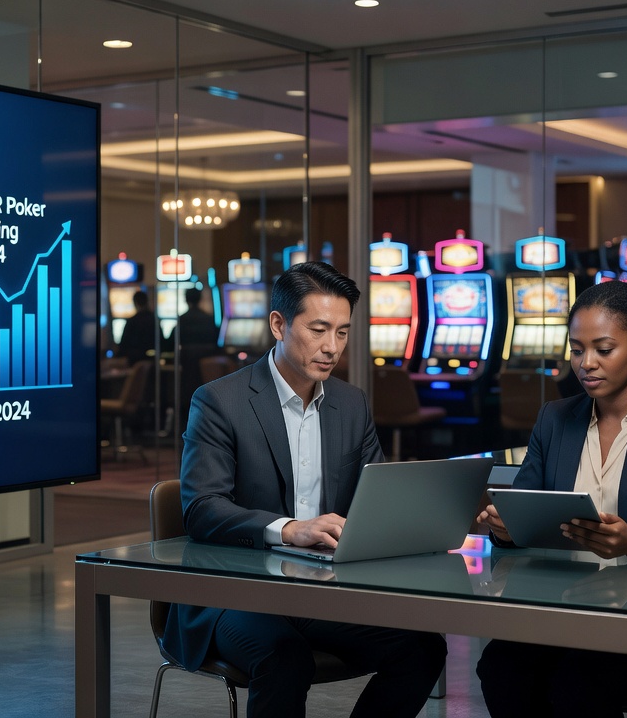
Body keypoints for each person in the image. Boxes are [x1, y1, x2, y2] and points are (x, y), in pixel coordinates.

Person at [162, 261, 447, 718]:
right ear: (278, 324)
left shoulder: (351, 404)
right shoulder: (219, 401)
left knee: (422, 649)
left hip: (319, 591)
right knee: (285, 659)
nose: (331, 347)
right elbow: (202, 509)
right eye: (318, 330)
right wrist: (289, 528)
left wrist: (429, 517)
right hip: (233, 593)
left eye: (342, 332)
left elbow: (376, 500)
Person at [475, 279, 627, 718]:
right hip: (560, 604)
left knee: (577, 683)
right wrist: (506, 528)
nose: (586, 363)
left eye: (603, 349)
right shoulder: (554, 419)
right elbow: (526, 507)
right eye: (576, 349)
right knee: (500, 667)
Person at [172, 287, 221, 424]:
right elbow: (218, 344)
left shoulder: (182, 319)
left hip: (186, 369)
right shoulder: (209, 319)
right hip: (209, 375)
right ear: (200, 299)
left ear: (185, 299)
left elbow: (169, 343)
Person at [117, 290, 158, 365]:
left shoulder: (132, 321)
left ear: (135, 303)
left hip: (134, 362)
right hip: (152, 361)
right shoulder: (154, 320)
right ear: (146, 302)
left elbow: (123, 346)